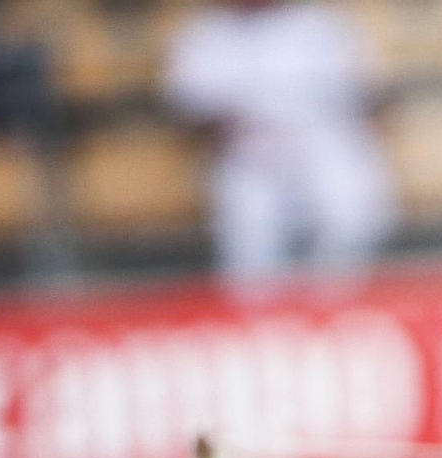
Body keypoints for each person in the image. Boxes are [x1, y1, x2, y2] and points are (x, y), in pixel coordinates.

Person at [164, 0, 397, 293]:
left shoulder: (321, 22)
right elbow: (189, 112)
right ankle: (260, 319)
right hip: (247, 149)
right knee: (249, 230)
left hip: (323, 140)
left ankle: (331, 305)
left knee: (353, 210)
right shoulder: (205, 31)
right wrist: (243, 131)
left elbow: (373, 94)